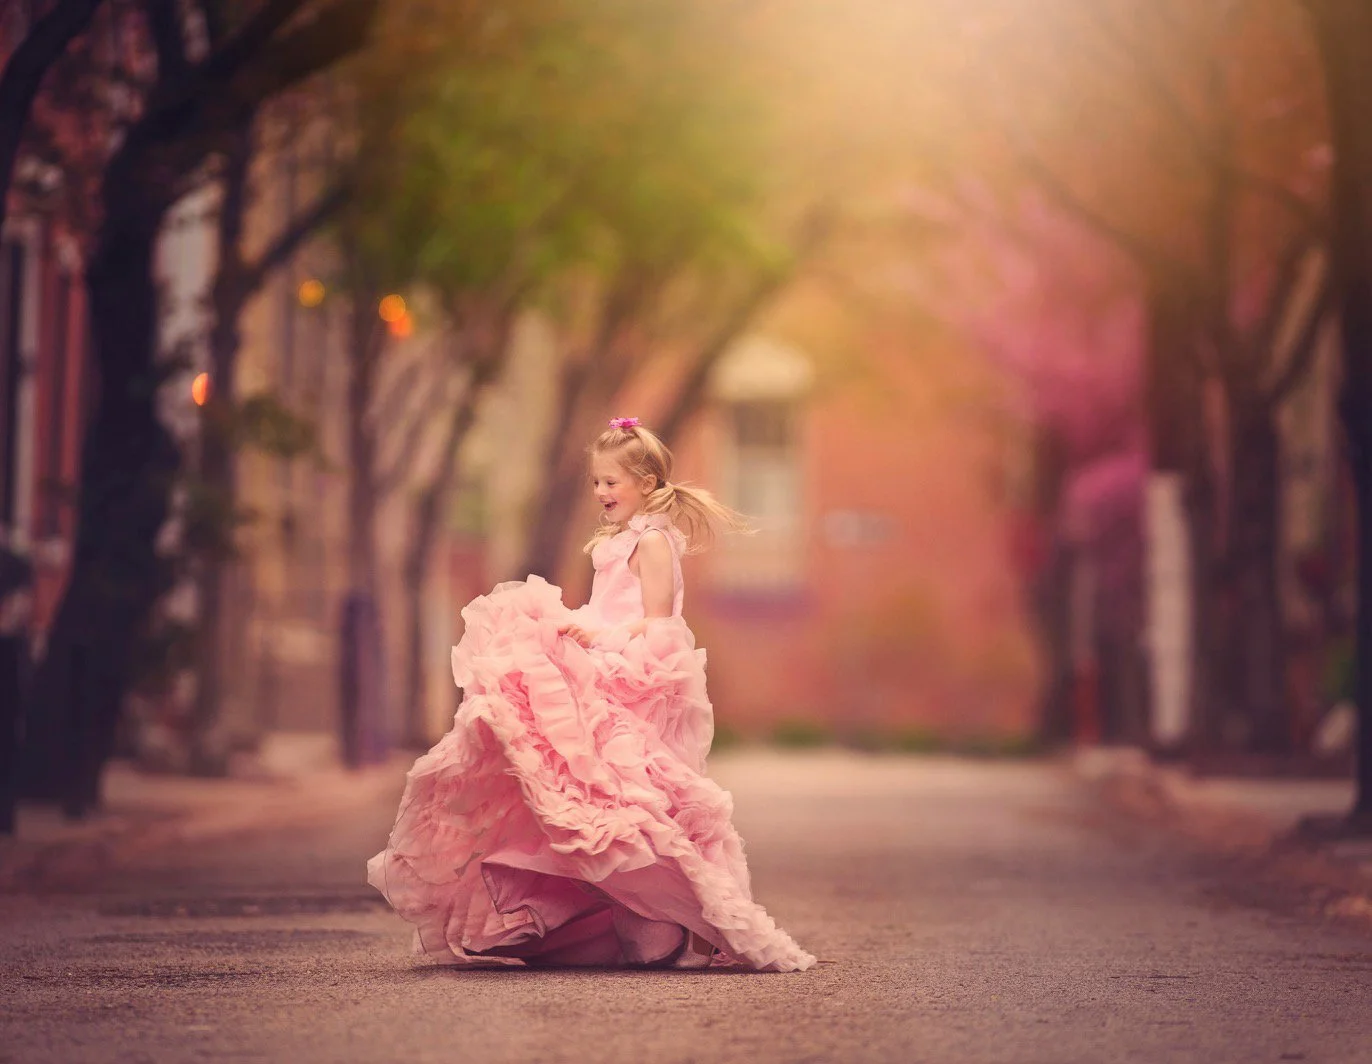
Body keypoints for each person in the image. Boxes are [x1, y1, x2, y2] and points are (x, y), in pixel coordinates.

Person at [367, 417, 816, 972]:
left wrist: (599, 639)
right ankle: (589, 914)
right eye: (596, 482)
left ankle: (659, 918)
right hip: (602, 656)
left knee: (620, 799)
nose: (601, 493)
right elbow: (606, 611)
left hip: (632, 672)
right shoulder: (616, 542)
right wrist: (577, 628)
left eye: (611, 482)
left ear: (647, 484)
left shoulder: (653, 544)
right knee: (560, 776)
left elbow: (658, 624)